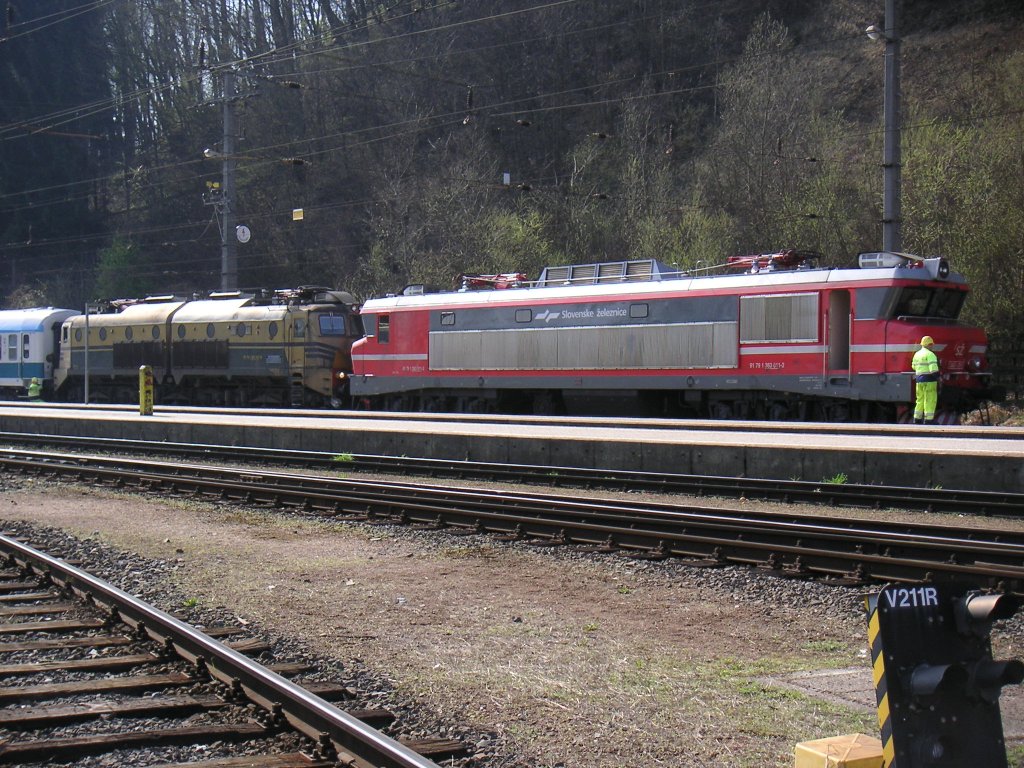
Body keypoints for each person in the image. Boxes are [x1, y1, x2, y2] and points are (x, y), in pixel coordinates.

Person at [911, 336, 939, 424]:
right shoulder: (930, 354)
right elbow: (933, 369)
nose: (932, 346)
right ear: (929, 344)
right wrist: (937, 376)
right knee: (930, 399)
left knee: (920, 399)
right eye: (931, 345)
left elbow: (913, 366)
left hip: (919, 380)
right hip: (929, 380)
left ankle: (917, 418)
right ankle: (928, 419)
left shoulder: (917, 354)